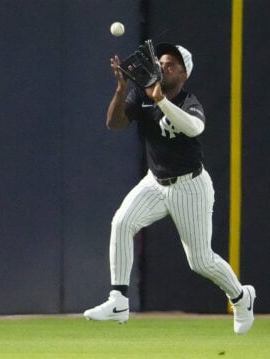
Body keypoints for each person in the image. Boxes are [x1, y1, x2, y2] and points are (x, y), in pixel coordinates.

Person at [83, 42, 256, 334]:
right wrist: (121, 87)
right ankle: (118, 300)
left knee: (200, 261)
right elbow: (114, 124)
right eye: (161, 63)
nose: (163, 67)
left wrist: (162, 101)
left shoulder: (188, 100)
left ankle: (241, 297)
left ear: (184, 74)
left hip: (190, 186)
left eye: (171, 65)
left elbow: (194, 128)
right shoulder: (142, 93)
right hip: (155, 181)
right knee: (122, 222)